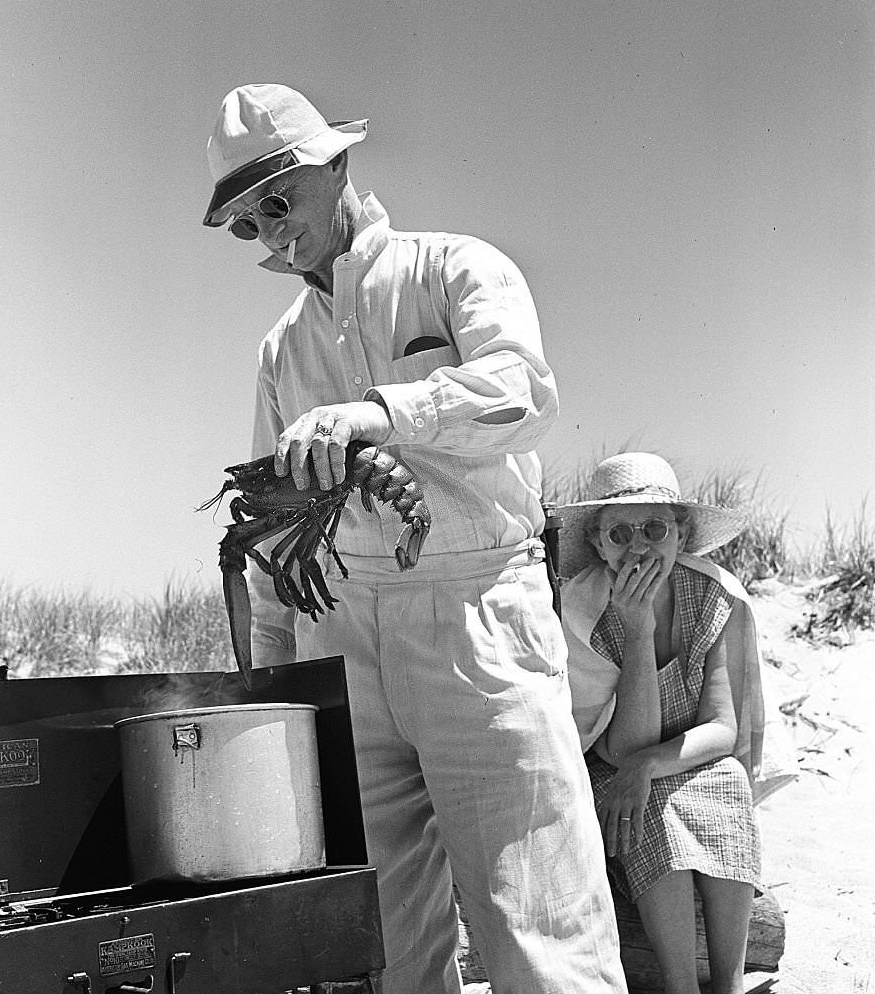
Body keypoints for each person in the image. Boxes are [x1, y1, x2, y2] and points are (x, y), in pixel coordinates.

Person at [201, 84, 627, 994]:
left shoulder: (453, 267)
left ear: (337, 165)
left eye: (279, 200)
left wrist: (384, 411)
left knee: (542, 926)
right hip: (344, 640)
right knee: (384, 944)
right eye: (246, 224)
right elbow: (270, 553)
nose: (271, 234)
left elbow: (524, 390)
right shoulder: (279, 352)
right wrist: (273, 687)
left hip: (480, 615)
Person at [557, 452, 767, 994]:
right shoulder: (583, 610)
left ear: (680, 533)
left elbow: (722, 726)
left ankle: (729, 981)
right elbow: (626, 744)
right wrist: (637, 629)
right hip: (612, 766)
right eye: (620, 533)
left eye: (654, 528)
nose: (639, 547)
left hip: (689, 758)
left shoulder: (717, 597)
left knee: (728, 784)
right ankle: (680, 986)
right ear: (599, 545)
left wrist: (650, 765)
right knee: (651, 812)